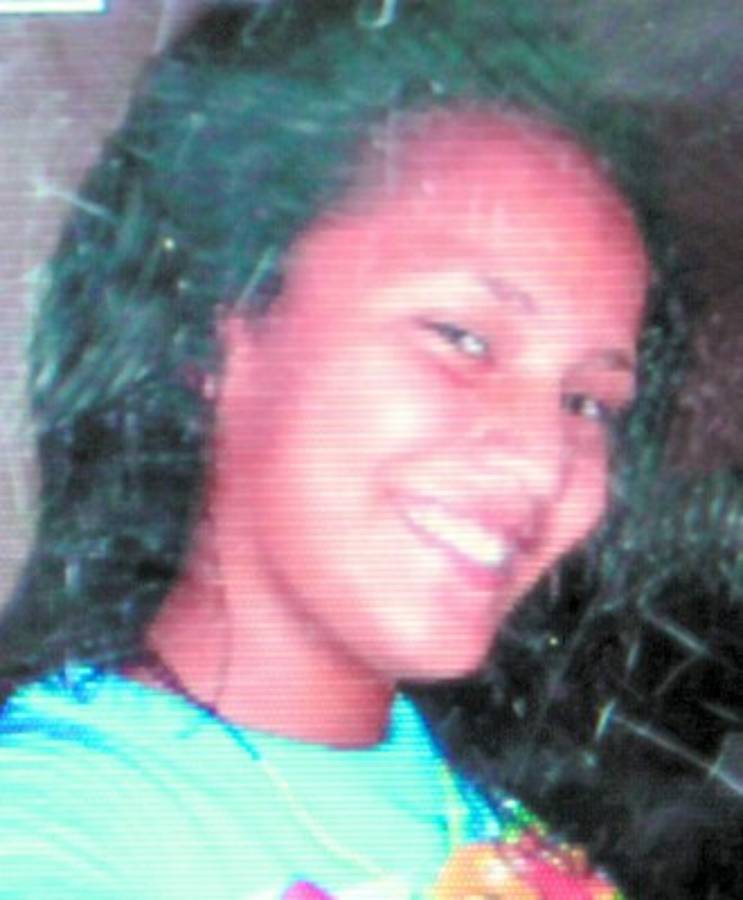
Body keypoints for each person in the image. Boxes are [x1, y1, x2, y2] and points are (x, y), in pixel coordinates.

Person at [0, 2, 686, 897]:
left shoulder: (503, 834)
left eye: (587, 402)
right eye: (461, 337)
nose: (541, 462)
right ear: (216, 326)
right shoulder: (59, 825)